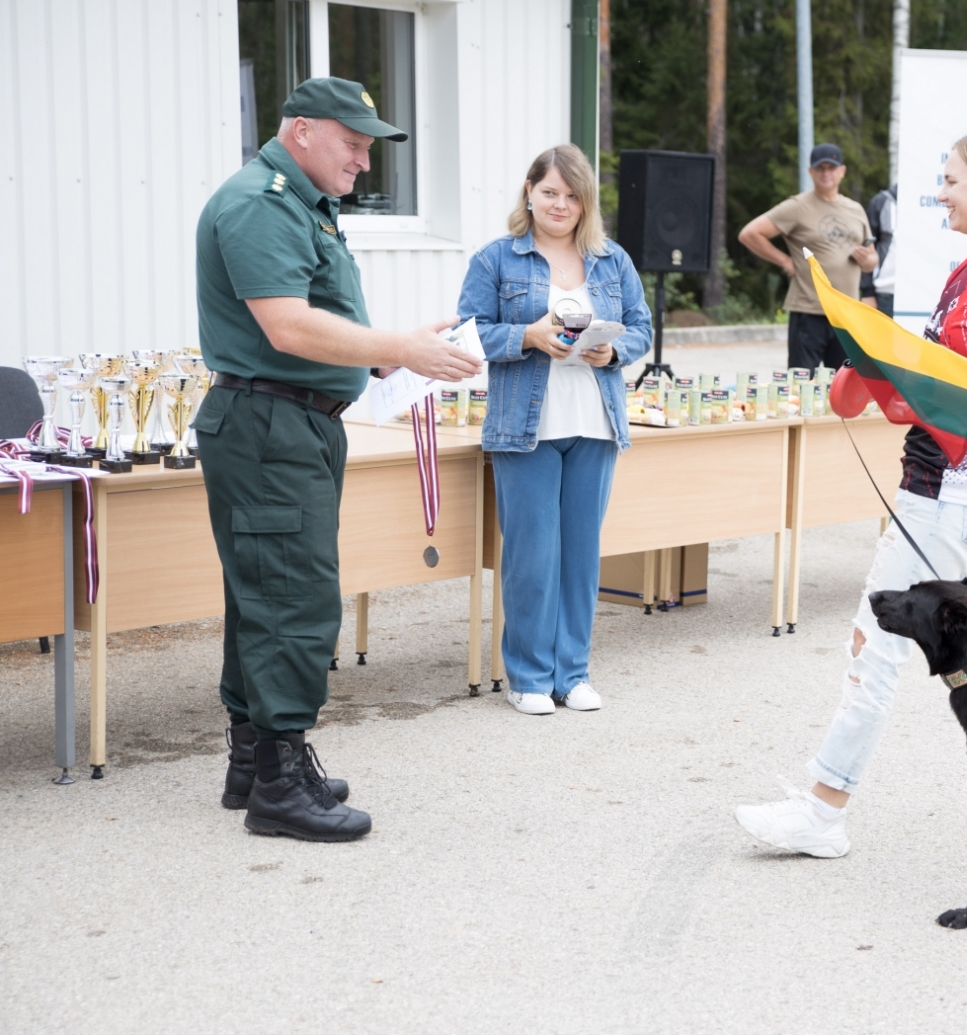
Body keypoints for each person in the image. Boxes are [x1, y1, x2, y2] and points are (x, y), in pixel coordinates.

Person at [733, 131, 967, 856]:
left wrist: (909, 379)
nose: (942, 191)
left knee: (878, 645)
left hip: (954, 495)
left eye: (953, 179)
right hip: (934, 486)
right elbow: (944, 373)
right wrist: (878, 364)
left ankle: (824, 810)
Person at [194, 77, 481, 841]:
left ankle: (254, 762)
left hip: (289, 422)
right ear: (301, 131)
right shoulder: (261, 203)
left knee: (267, 593)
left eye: (367, 145)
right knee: (294, 599)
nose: (363, 160)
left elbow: (314, 327)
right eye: (352, 142)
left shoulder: (299, 202)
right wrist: (395, 345)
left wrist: (392, 359)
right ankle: (282, 786)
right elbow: (287, 327)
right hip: (269, 428)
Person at [458, 146, 654, 715]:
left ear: (585, 201)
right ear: (529, 192)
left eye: (571, 195)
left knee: (580, 556)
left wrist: (613, 350)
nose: (560, 204)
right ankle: (528, 677)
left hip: (595, 423)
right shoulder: (496, 259)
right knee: (532, 554)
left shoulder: (611, 259)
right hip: (525, 427)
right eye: (549, 192)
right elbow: (469, 334)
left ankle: (573, 674)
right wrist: (527, 336)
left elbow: (641, 325)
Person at [739, 144, 877, 370]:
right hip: (809, 310)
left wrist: (867, 261)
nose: (826, 173)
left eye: (831, 168)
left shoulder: (855, 209)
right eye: (820, 168)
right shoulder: (798, 206)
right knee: (802, 383)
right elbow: (750, 233)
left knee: (842, 386)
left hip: (846, 313)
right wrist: (784, 261)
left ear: (842, 171)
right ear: (810, 171)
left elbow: (872, 260)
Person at [864, 184, 898, 318]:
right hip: (885, 293)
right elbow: (867, 248)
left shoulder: (936, 201)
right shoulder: (880, 202)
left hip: (922, 293)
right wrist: (867, 293)